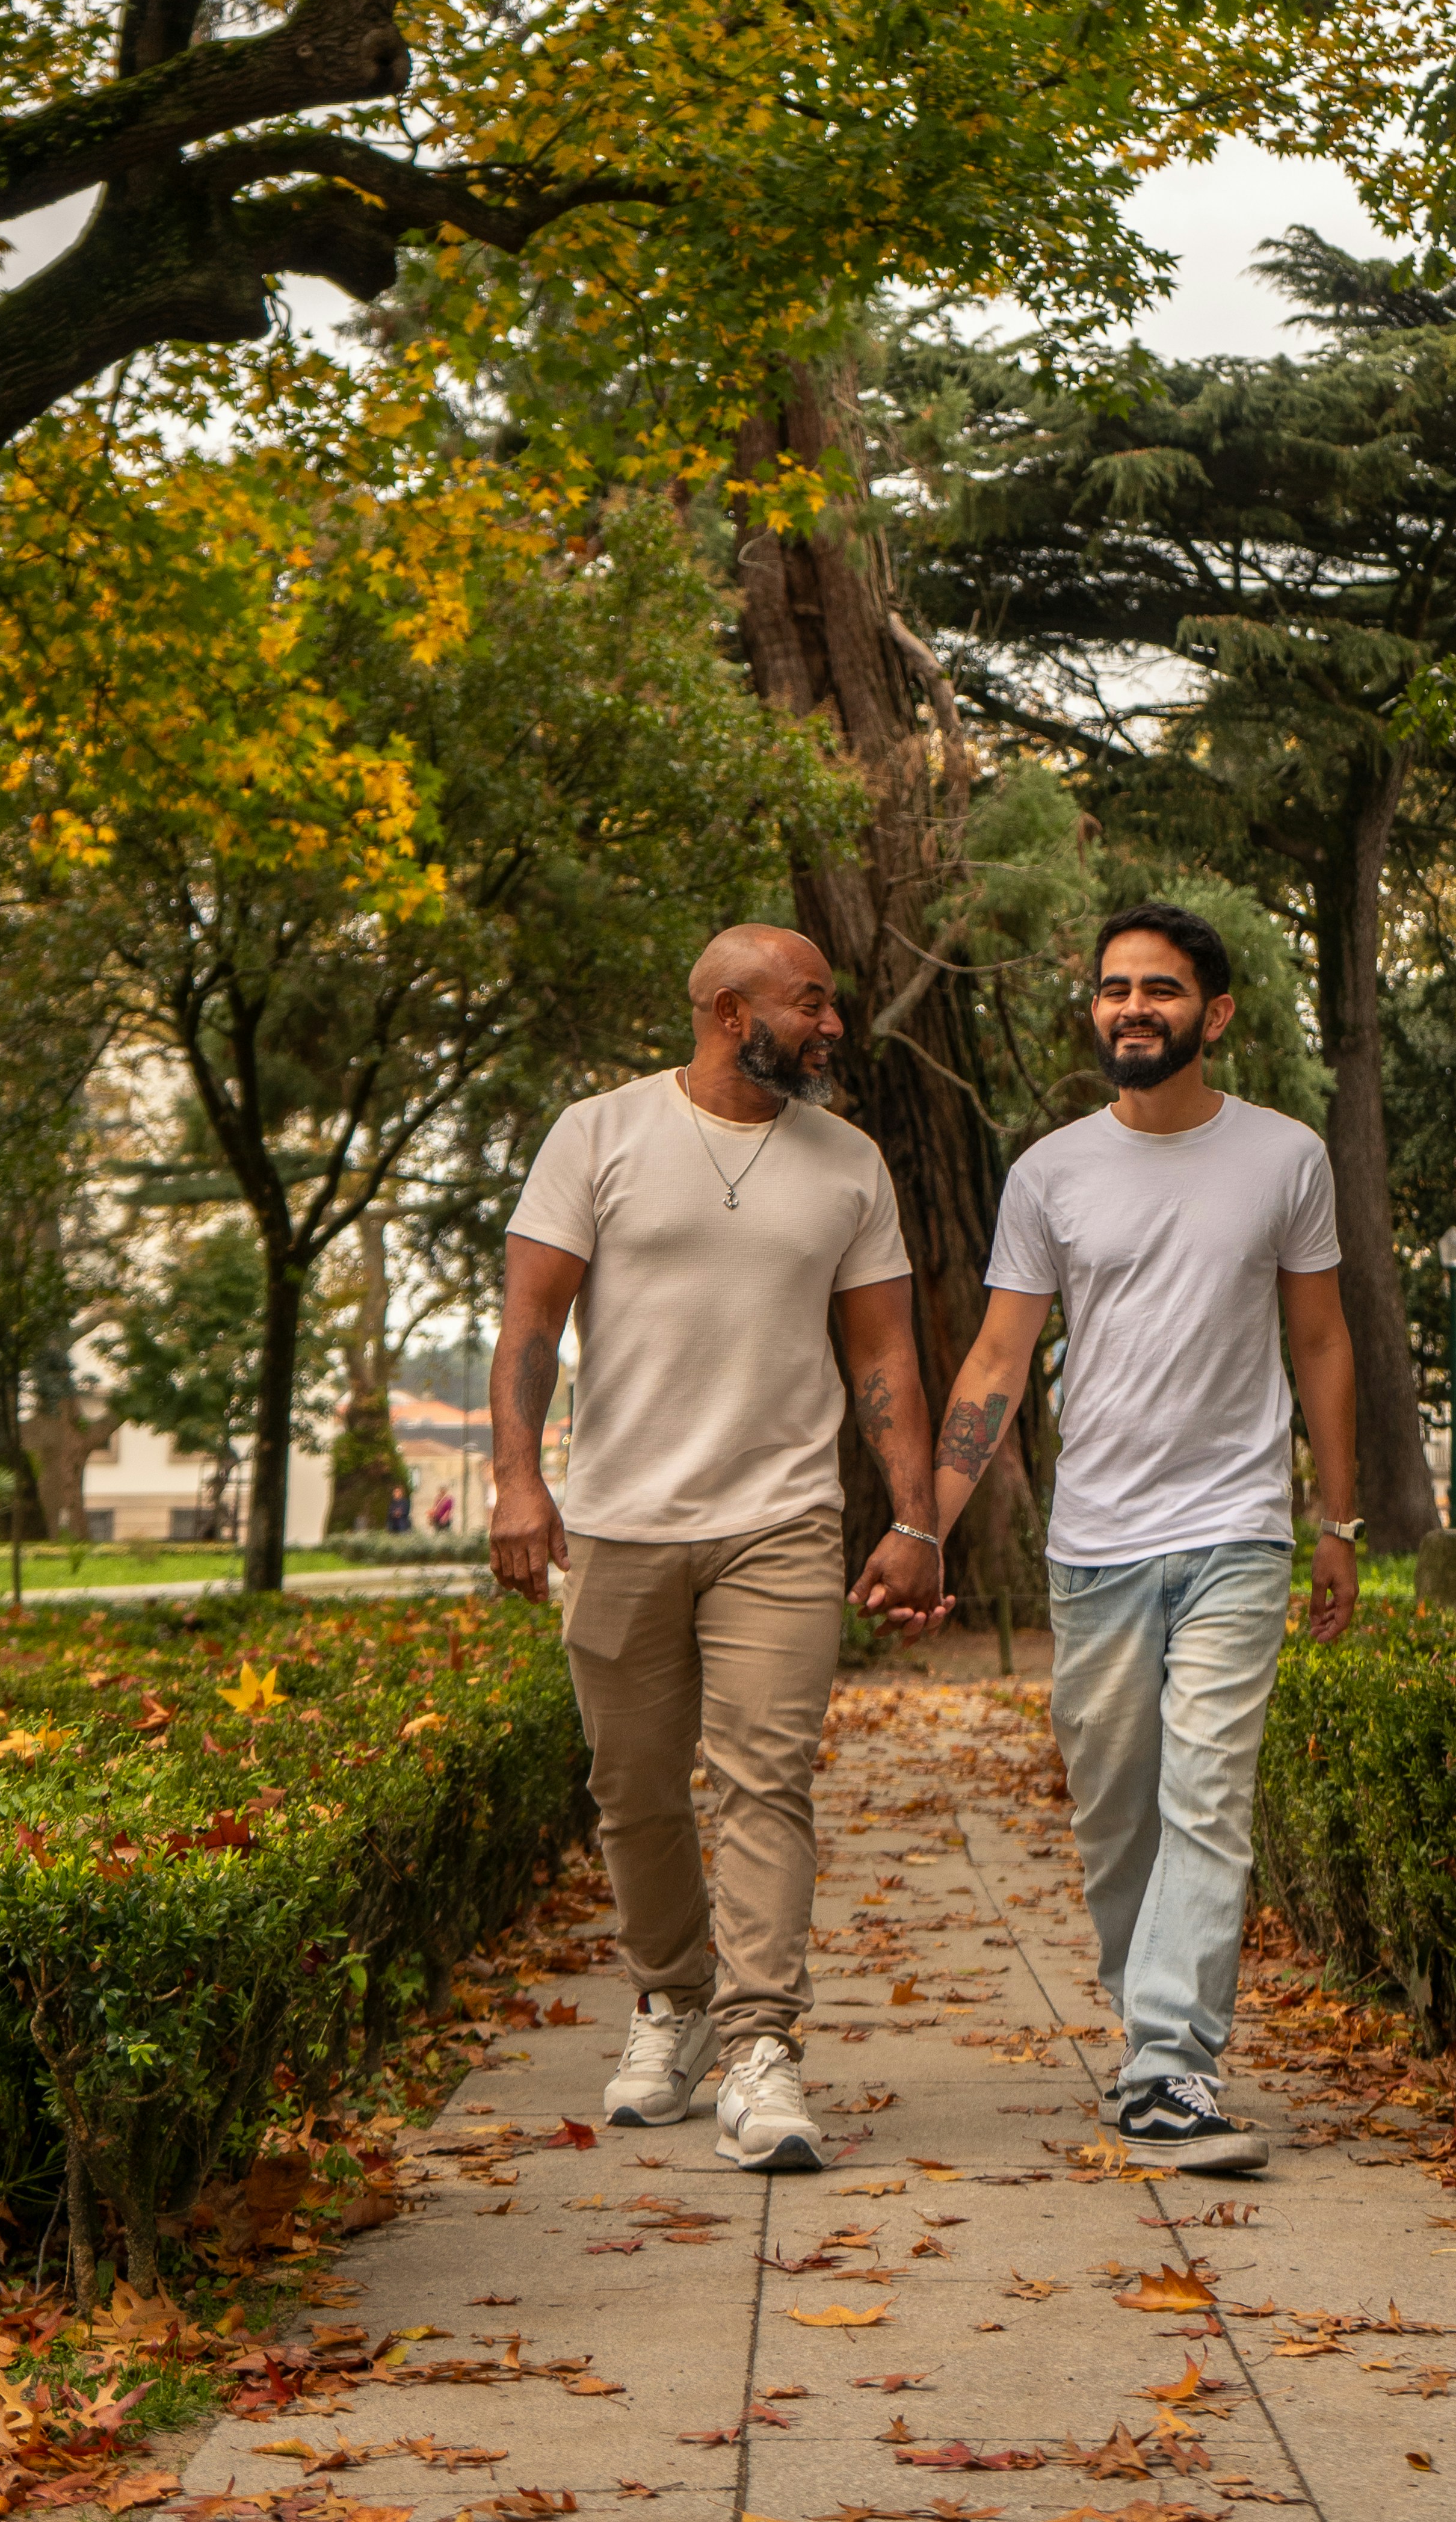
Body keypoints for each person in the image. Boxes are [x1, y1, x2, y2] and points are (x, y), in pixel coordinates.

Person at [488, 924, 948, 2172]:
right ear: (726, 1007)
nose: (831, 1024)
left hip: (781, 1522)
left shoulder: (848, 1164)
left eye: (831, 1005)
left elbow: (883, 1357)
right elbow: (532, 1316)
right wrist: (519, 1481)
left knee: (762, 1780)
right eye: (809, 1004)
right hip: (620, 1519)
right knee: (632, 1791)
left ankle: (760, 2047)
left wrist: (915, 1521)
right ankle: (669, 2000)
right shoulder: (599, 1133)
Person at [933, 901, 1360, 2176]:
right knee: (1115, 1814)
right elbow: (1000, 1356)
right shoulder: (1049, 1172)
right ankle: (1146, 2037)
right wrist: (925, 1521)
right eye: (1114, 988)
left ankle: (1172, 2058)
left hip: (1235, 1528)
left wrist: (1333, 1521)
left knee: (1208, 1796)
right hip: (1097, 1542)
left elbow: (1323, 1342)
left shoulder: (1284, 1157)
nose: (1132, 1008)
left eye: (1159, 990)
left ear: (1212, 1015)